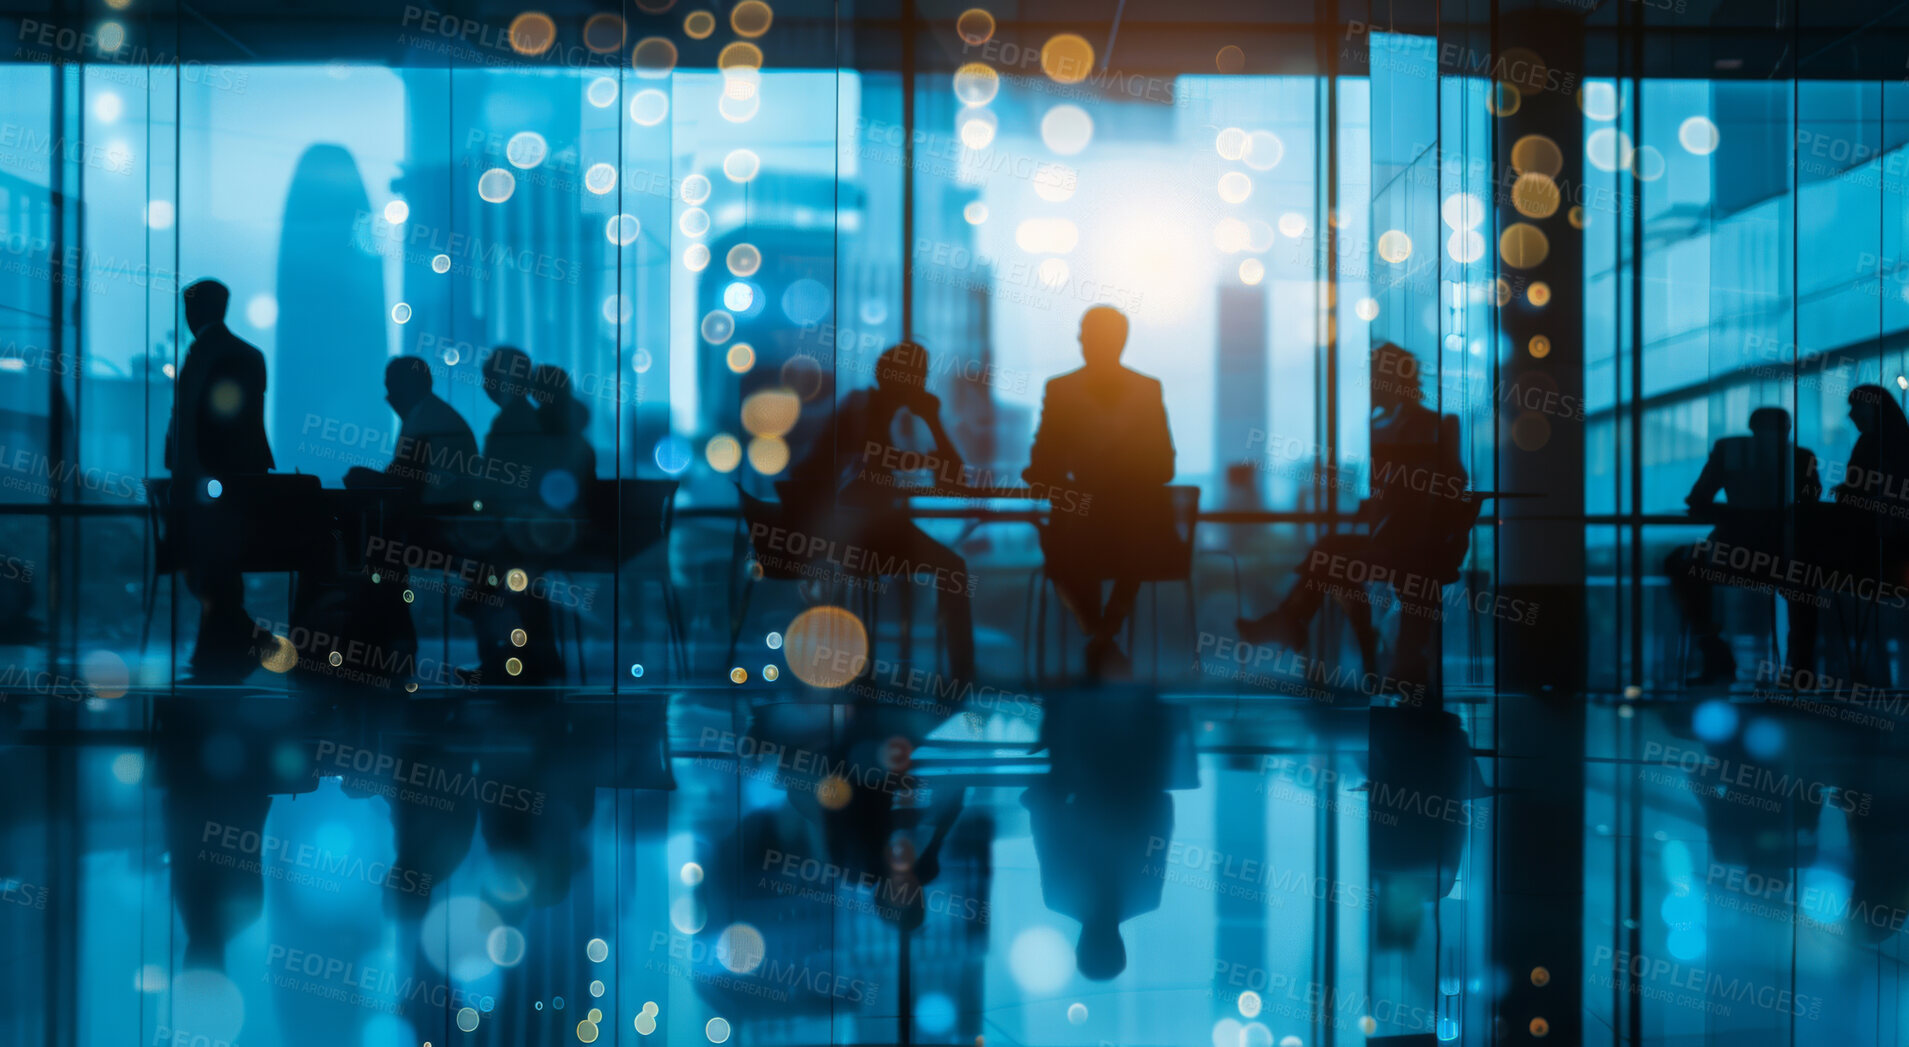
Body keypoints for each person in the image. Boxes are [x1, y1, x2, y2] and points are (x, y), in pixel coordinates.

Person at [1238, 343, 1467, 681]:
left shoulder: (1432, 424)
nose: (1371, 385)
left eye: (1375, 377)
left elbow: (1454, 482)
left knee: (1331, 557)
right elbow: (1381, 493)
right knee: (1331, 556)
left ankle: (1293, 623)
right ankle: (1299, 625)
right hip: (1394, 542)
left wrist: (1408, 485)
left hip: (1417, 547)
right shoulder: (1382, 425)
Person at [784, 342, 975, 682]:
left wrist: (932, 422)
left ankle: (960, 674)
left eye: (920, 376)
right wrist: (928, 431)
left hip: (872, 530)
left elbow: (956, 478)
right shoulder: (861, 411)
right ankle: (962, 676)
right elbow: (868, 470)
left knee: (952, 567)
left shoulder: (886, 415)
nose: (919, 384)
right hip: (850, 532)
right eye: (915, 376)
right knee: (953, 569)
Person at [1023, 306, 1176, 677]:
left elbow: (1163, 465)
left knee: (1070, 546)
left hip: (1109, 518)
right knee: (1105, 539)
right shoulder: (1141, 389)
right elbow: (1043, 459)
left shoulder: (1064, 390)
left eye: (1086, 334)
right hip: (1120, 520)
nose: (1082, 342)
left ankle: (1100, 636)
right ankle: (1104, 636)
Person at [165, 278, 275, 682]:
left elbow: (201, 421)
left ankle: (236, 646)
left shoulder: (207, 353)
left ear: (193, 311)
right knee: (219, 566)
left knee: (209, 566)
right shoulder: (246, 354)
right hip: (234, 478)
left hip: (212, 480)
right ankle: (228, 648)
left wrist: (191, 471)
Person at [1664, 406, 1821, 684]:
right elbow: (1809, 506)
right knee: (1805, 583)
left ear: (1752, 429)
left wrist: (1734, 513)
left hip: (1731, 550)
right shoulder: (1800, 457)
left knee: (1680, 565)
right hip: (1781, 552)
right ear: (1787, 430)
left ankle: (1714, 648)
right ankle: (1801, 669)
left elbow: (1698, 499)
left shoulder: (1729, 450)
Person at [347, 356, 478, 507]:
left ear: (407, 386)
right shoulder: (430, 413)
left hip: (435, 511)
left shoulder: (426, 420)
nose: (388, 396)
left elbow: (401, 477)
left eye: (391, 386)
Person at [480, 345, 540, 501]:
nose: (485, 385)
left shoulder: (510, 421)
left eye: (488, 378)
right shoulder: (524, 416)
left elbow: (495, 478)